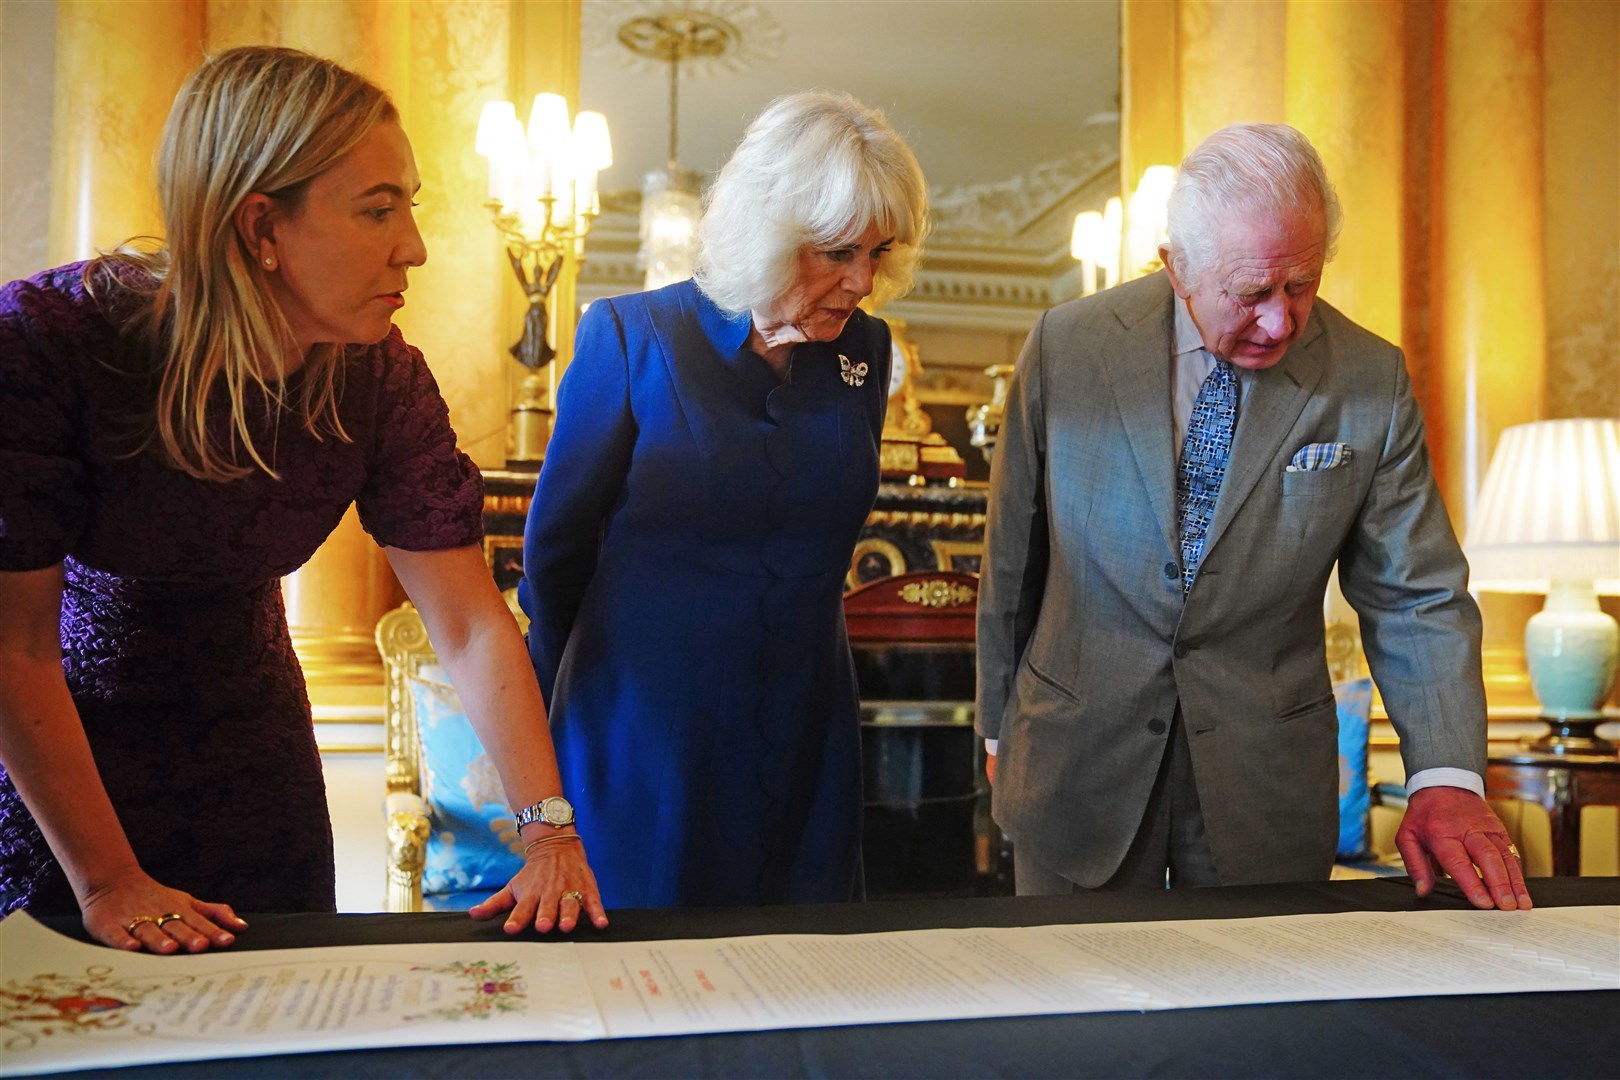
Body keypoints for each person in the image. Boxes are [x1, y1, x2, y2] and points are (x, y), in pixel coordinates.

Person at [0, 45, 606, 953]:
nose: (416, 245)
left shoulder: (381, 380)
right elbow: (15, 650)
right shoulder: (49, 347)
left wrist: (547, 830)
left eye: (410, 204)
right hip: (64, 779)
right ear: (260, 229)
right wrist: (111, 878)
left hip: (258, 759)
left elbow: (470, 625)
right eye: (378, 208)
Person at [976, 123, 1531, 911]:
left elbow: (1418, 595)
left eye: (1300, 284)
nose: (1279, 321)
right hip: (1074, 764)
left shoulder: (1369, 379)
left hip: (1264, 784)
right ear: (1177, 267)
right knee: (1078, 1018)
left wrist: (1445, 776)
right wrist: (1000, 726)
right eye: (1250, 293)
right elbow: (1012, 558)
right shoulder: (1068, 346)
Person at [518, 91, 928, 909]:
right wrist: (549, 756)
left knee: (799, 980)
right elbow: (553, 563)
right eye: (838, 251)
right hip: (646, 730)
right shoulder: (632, 338)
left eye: (879, 253)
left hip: (808, 719)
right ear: (767, 232)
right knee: (642, 984)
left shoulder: (868, 352)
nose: (862, 282)